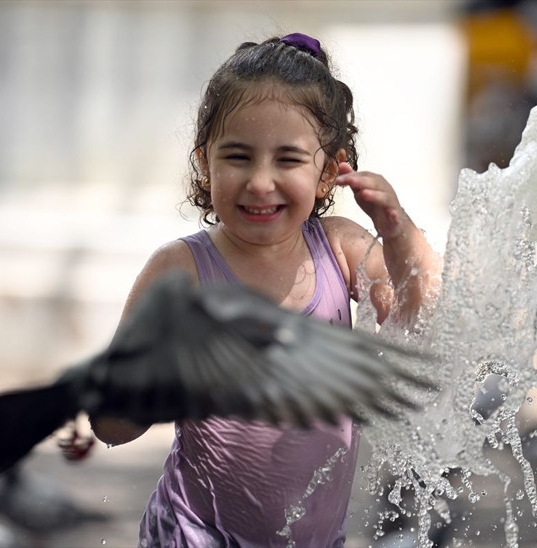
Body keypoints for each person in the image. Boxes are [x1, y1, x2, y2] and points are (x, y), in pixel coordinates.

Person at [92, 33, 441, 547]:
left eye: (288, 160)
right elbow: (110, 423)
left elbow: (426, 316)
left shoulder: (339, 250)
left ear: (328, 172)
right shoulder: (181, 270)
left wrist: (398, 230)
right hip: (193, 533)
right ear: (203, 161)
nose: (260, 181)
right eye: (237, 156)